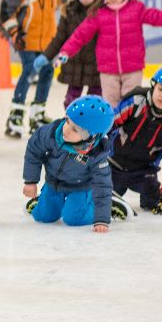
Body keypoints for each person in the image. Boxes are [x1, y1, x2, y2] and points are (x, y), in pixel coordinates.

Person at [22, 96, 122, 231]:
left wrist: (101, 218)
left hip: (81, 187)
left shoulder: (97, 154)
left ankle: (105, 206)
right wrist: (30, 181)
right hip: (54, 183)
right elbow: (34, 150)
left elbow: (102, 184)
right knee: (43, 217)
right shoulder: (51, 133)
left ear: (91, 136)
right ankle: (42, 203)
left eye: (75, 129)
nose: (66, 129)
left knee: (73, 219)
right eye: (67, 121)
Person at [0, 0, 65, 137]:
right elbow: (6, 12)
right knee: (29, 70)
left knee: (47, 73)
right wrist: (14, 34)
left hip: (49, 41)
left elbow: (65, 8)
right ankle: (16, 113)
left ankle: (37, 113)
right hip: (25, 39)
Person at [109, 64, 162, 215]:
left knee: (152, 203)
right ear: (154, 86)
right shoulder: (135, 102)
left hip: (144, 172)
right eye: (161, 89)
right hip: (114, 165)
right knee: (104, 194)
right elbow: (109, 124)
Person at [32, 0, 102, 111]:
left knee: (95, 101)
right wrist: (46, 55)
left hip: (97, 67)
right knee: (71, 102)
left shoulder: (102, 11)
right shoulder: (69, 11)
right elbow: (60, 37)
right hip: (75, 66)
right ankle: (71, 125)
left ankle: (92, 128)